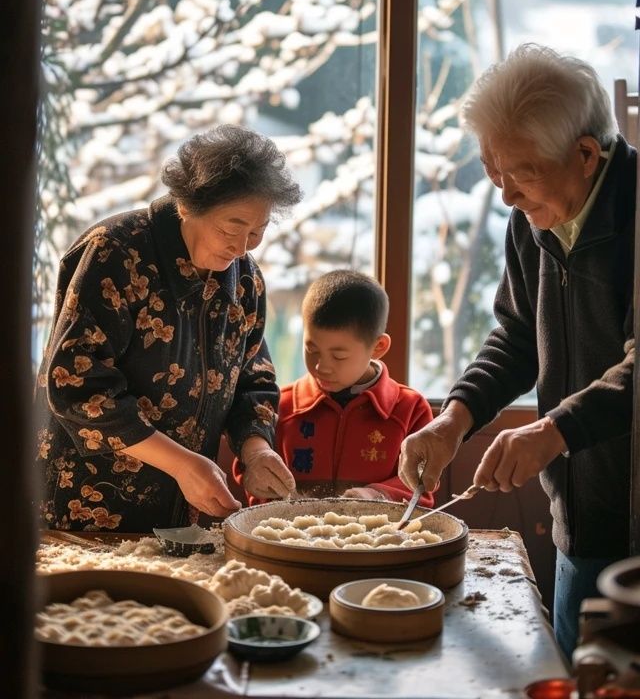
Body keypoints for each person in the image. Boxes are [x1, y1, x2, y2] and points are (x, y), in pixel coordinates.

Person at [398, 43, 635, 660]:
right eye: (491, 171)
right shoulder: (531, 216)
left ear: (585, 154)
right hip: (582, 515)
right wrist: (455, 418)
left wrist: (554, 429)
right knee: (572, 671)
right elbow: (517, 336)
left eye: (520, 173)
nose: (505, 196)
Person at [36, 124, 301, 532]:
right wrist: (182, 464)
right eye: (233, 228)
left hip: (185, 510)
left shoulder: (244, 278)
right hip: (89, 507)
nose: (244, 245)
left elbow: (253, 377)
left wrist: (256, 449)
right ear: (189, 205)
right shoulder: (116, 251)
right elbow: (75, 384)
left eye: (258, 231)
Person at [239, 270, 435, 505]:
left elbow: (422, 487)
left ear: (378, 347)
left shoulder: (410, 409)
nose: (322, 366)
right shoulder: (283, 405)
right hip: (292, 538)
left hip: (378, 540)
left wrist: (376, 496)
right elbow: (251, 473)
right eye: (312, 350)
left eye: (339, 356)